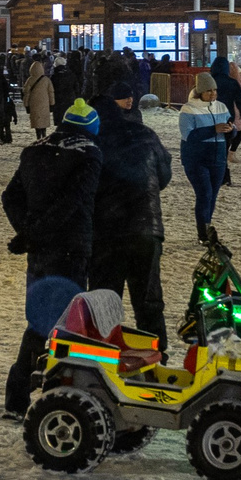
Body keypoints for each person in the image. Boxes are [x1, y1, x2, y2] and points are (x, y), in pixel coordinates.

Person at [0, 98, 104, 418]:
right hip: (70, 248)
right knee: (70, 323)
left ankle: (17, 395)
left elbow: (10, 196)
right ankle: (64, 393)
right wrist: (37, 234)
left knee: (41, 318)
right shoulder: (89, 153)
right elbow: (75, 201)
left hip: (39, 251)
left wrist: (28, 233)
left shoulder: (35, 149)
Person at [90, 83, 173, 333]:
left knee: (103, 301)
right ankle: (158, 356)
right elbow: (164, 174)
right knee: (148, 300)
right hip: (146, 229)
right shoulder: (145, 134)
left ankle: (103, 356)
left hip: (107, 232)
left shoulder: (93, 141)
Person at [178, 71, 235, 233]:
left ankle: (207, 226)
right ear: (200, 91)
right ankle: (203, 233)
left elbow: (231, 127)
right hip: (196, 159)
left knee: (213, 195)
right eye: (209, 90)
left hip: (218, 159)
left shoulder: (221, 106)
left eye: (214, 90)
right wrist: (213, 130)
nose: (213, 94)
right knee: (205, 194)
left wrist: (231, 129)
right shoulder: (188, 109)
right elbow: (188, 134)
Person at [22, 59, 54, 139]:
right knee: (43, 121)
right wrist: (52, 103)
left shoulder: (30, 80)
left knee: (37, 121)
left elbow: (26, 93)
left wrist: (26, 104)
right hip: (44, 103)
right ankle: (44, 135)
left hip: (34, 103)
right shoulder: (46, 80)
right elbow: (51, 92)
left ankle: (38, 136)